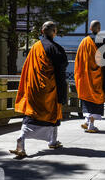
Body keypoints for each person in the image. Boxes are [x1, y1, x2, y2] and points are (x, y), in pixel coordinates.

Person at [10, 21, 68, 159]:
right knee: (53, 114)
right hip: (50, 90)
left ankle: (22, 140)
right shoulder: (56, 48)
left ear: (42, 31)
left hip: (34, 90)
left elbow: (27, 69)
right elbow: (61, 71)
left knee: (31, 115)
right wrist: (62, 92)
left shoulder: (35, 47)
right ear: (54, 32)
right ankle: (52, 141)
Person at [74, 20, 105, 133]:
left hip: (85, 77)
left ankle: (87, 121)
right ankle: (91, 124)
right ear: (99, 29)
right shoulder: (104, 42)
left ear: (90, 29)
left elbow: (79, 61)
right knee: (96, 100)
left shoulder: (84, 42)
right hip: (99, 77)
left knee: (87, 100)